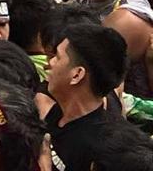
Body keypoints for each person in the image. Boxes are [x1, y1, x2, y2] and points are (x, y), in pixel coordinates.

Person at [42, 22, 129, 171]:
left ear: (77, 75)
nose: (49, 63)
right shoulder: (57, 112)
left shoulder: (101, 150)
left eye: (57, 57)